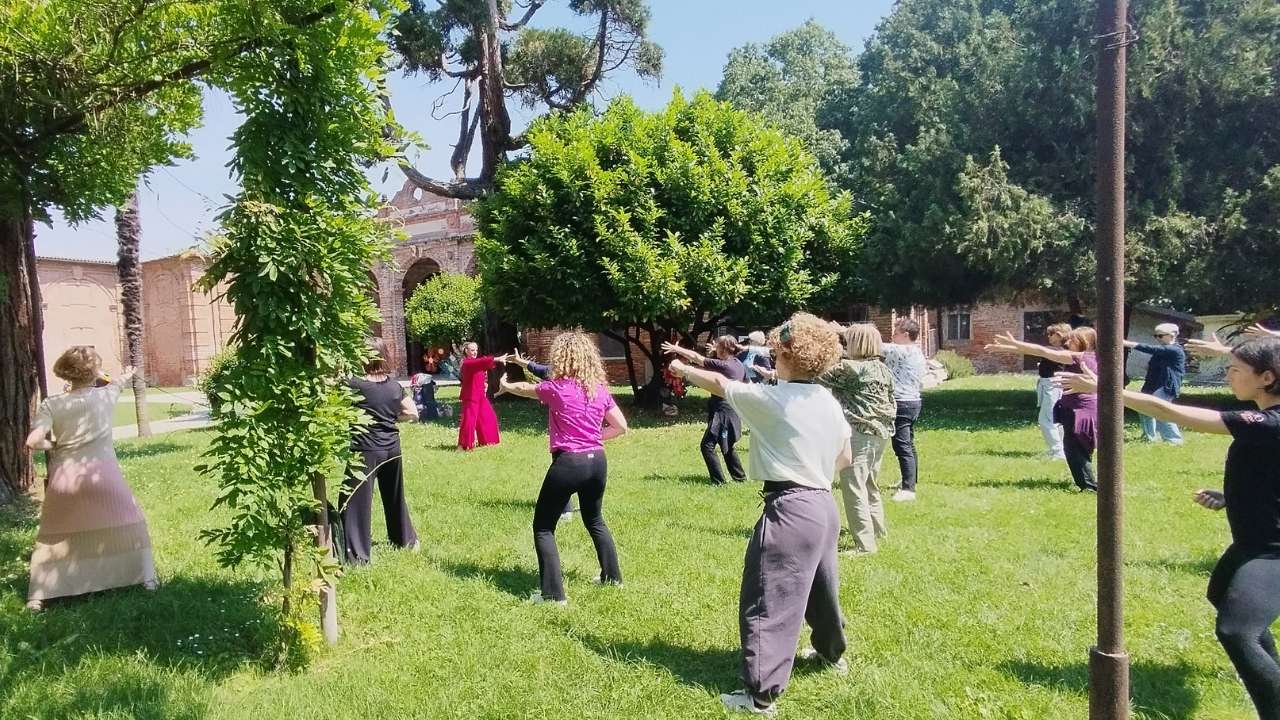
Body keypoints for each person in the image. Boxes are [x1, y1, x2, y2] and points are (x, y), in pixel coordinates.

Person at [1061, 336, 1280, 719]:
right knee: (1222, 595)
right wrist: (1232, 496)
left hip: (1271, 549)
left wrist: (1105, 388)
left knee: (1236, 630)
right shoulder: (1266, 423)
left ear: (1266, 377)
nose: (1228, 375)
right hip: (1253, 541)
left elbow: (1172, 413)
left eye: (1235, 370)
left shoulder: (1266, 422)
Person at [670, 312, 852, 717]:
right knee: (822, 590)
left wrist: (682, 367)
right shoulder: (829, 401)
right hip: (824, 505)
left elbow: (720, 383)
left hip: (790, 509)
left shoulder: (773, 400)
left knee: (768, 597)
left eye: (776, 350)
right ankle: (831, 654)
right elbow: (845, 458)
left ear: (786, 354)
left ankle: (760, 694)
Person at [23, 347, 158, 612]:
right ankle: (147, 580)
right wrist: (127, 373)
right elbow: (116, 382)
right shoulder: (106, 395)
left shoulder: (52, 403)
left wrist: (57, 445)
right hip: (103, 474)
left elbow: (33, 442)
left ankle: (37, 597)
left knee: (54, 534)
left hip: (65, 477)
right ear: (94, 372)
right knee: (132, 525)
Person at [497, 332, 629, 605]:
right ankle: (612, 578)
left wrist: (506, 385)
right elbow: (621, 427)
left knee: (543, 527)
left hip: (569, 462)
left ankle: (553, 596)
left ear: (561, 358)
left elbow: (526, 389)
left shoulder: (557, 388)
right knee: (594, 519)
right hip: (597, 461)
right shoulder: (599, 389)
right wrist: (592, 438)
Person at [988, 327, 1100, 492]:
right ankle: (1089, 484)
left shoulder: (1077, 357)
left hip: (1078, 409)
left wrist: (1015, 343)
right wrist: (1012, 347)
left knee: (1074, 448)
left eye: (1073, 340)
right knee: (1081, 448)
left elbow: (1043, 351)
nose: (1068, 343)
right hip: (1088, 408)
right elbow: (1044, 352)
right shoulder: (1097, 357)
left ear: (1085, 342)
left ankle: (1089, 487)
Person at [819, 323, 897, 556]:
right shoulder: (882, 369)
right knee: (870, 484)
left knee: (853, 485)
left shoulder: (850, 369)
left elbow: (815, 374)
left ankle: (865, 545)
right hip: (881, 433)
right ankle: (877, 529)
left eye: (847, 340)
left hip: (859, 433)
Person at [341, 337, 420, 564]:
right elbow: (413, 413)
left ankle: (356, 555)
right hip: (392, 449)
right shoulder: (394, 386)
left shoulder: (354, 385)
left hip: (365, 450)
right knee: (395, 496)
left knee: (354, 501)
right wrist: (393, 417)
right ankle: (406, 540)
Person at [662, 336, 748, 485]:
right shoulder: (737, 364)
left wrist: (677, 349)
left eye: (717, 346)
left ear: (722, 348)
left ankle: (719, 482)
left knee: (707, 445)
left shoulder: (724, 365)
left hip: (723, 410)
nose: (714, 348)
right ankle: (740, 478)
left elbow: (697, 358)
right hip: (730, 408)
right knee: (726, 444)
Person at [883, 318, 927, 501]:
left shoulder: (901, 351)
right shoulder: (917, 352)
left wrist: (844, 331)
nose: (892, 335)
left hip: (902, 403)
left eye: (896, 332)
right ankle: (909, 480)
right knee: (908, 443)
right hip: (913, 402)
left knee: (901, 446)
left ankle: (908, 490)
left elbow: (871, 344)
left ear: (906, 335)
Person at [1126, 322, 1187, 445]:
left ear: (1172, 335)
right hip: (1152, 384)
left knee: (1161, 411)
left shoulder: (1175, 350)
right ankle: (1149, 437)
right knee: (1142, 408)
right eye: (1156, 336)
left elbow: (1151, 349)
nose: (1158, 339)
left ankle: (1174, 440)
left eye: (1160, 336)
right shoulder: (1162, 350)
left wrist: (1126, 343)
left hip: (1166, 386)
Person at [457, 341, 508, 450]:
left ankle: (488, 441)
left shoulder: (475, 362)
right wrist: (497, 359)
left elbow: (482, 366)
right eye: (472, 350)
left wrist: (484, 383)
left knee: (489, 417)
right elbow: (482, 362)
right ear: (466, 351)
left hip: (480, 397)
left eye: (476, 350)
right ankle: (464, 445)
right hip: (470, 397)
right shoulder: (467, 363)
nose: (475, 352)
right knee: (469, 421)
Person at [1035, 323, 1072, 460]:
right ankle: (1061, 448)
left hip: (1052, 385)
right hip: (1049, 383)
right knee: (1055, 417)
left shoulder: (1060, 350)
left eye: (1051, 334)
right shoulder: (1057, 349)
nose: (1048, 337)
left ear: (1059, 335)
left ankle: (1057, 451)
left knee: (1047, 418)